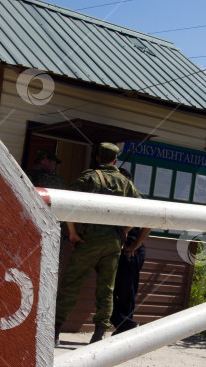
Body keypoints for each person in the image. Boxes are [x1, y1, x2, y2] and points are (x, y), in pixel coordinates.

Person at [54, 142, 144, 345]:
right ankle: (98, 334)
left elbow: (67, 202)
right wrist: (124, 233)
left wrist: (73, 232)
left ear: (96, 158)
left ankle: (56, 331)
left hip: (89, 240)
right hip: (113, 242)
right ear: (115, 160)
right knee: (106, 289)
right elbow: (143, 211)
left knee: (71, 285)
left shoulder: (89, 177)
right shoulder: (125, 183)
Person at [111, 167, 151, 334]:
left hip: (130, 252)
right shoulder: (118, 197)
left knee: (127, 291)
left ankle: (126, 326)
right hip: (119, 250)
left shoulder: (135, 198)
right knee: (113, 289)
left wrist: (134, 244)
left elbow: (149, 221)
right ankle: (123, 325)